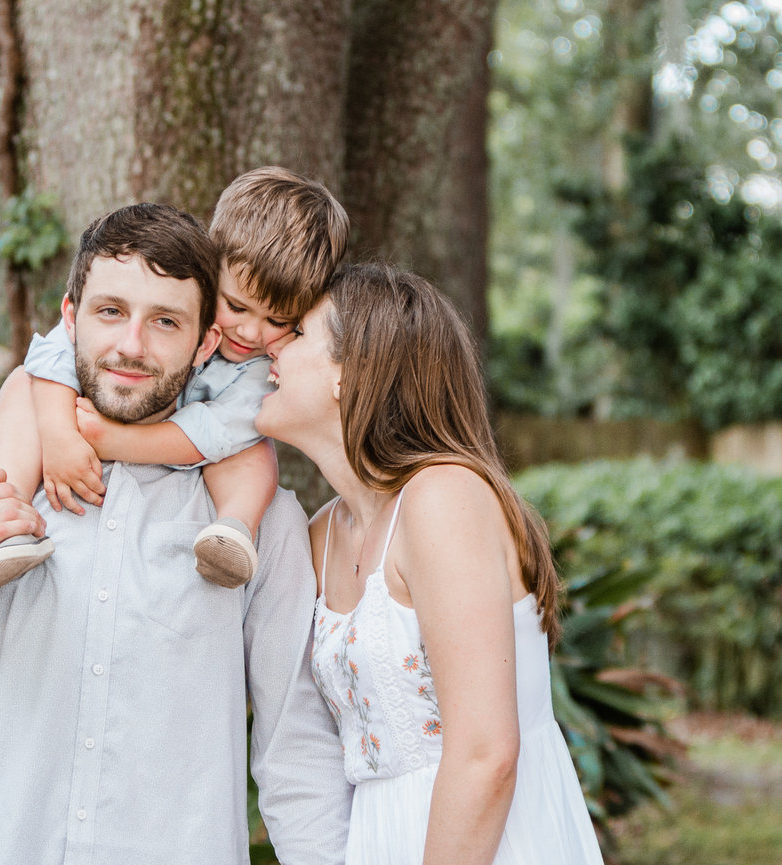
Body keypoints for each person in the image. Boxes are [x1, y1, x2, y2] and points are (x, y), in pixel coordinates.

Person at [0, 203, 351, 865]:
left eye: (165, 321)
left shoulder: (258, 523)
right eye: (111, 311)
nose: (132, 345)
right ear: (70, 316)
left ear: (205, 343)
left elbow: (297, 751)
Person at [255, 262, 604, 865]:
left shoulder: (443, 497)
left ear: (350, 370)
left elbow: (486, 754)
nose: (269, 346)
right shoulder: (320, 536)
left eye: (297, 333)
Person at [0, 167, 348, 591]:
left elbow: (215, 433)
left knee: (253, 448)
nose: (249, 333)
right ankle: (7, 515)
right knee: (24, 383)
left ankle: (233, 529)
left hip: (191, 447)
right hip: (88, 420)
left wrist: (111, 439)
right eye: (236, 306)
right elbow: (53, 353)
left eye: (277, 319)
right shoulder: (163, 297)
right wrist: (59, 433)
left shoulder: (264, 367)